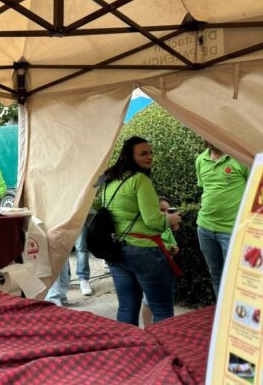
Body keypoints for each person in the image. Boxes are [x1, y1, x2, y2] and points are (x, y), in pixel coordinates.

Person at [102, 136, 181, 326]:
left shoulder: (109, 179)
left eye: (150, 152)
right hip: (144, 251)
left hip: (116, 250)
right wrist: (170, 219)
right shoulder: (140, 180)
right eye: (143, 153)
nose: (149, 157)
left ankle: (127, 353)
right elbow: (153, 221)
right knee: (162, 311)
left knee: (126, 308)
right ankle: (166, 354)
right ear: (130, 156)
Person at [195, 141, 249, 297]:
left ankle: (235, 317)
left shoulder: (239, 158)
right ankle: (222, 314)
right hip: (205, 228)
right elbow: (206, 189)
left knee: (234, 278)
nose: (209, 139)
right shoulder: (200, 160)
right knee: (216, 275)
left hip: (232, 230)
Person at [141, 196, 180, 327]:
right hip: (154, 267)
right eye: (162, 210)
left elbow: (173, 245)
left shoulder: (167, 229)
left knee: (164, 301)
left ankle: (159, 331)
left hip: (167, 268)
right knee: (148, 301)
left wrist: (173, 249)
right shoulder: (149, 228)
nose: (166, 213)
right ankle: (148, 329)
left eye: (168, 211)